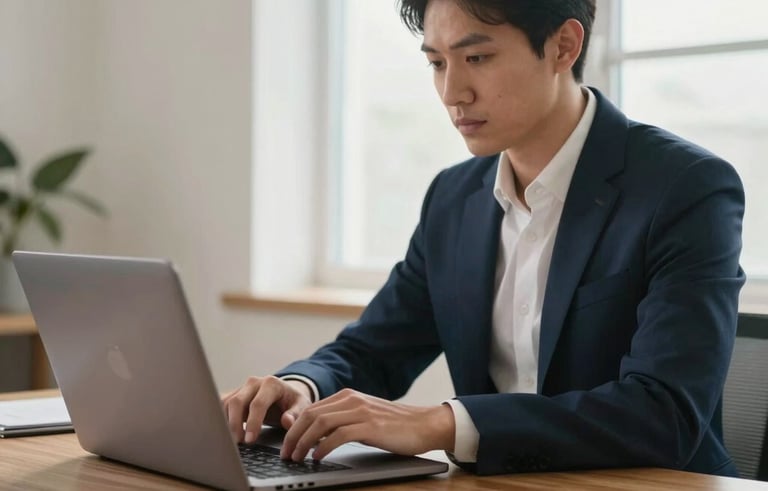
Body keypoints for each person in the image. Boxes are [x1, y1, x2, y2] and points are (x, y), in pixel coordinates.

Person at [223, 0, 745, 476]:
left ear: (564, 46)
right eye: (436, 63)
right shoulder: (453, 198)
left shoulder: (684, 188)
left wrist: (442, 423)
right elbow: (374, 349)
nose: (453, 93)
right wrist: (298, 388)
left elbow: (664, 414)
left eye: (477, 58)